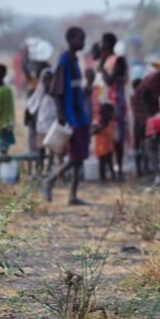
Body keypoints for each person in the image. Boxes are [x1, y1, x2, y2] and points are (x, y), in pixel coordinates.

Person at [42, 27, 91, 206]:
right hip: (71, 115)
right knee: (76, 156)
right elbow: (56, 91)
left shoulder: (75, 60)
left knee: (81, 156)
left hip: (80, 115)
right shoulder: (64, 61)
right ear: (71, 40)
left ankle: (73, 195)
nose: (83, 43)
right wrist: (62, 114)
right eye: (81, 39)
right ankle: (49, 180)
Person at [99, 32, 129, 182]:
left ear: (109, 43)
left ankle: (120, 170)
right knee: (107, 135)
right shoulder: (107, 60)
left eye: (102, 42)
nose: (100, 45)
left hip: (117, 105)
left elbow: (110, 81)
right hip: (107, 103)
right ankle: (111, 170)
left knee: (118, 138)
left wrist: (102, 68)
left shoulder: (118, 60)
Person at [27, 67, 58, 176]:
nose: (48, 82)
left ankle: (49, 168)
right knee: (40, 150)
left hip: (53, 125)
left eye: (50, 79)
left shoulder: (56, 94)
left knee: (52, 150)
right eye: (45, 80)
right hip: (41, 125)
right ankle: (39, 171)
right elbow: (32, 107)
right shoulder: (39, 93)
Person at [92, 103, 116, 182]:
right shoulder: (98, 122)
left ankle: (113, 178)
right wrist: (101, 126)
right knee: (102, 164)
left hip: (109, 147)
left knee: (110, 163)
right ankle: (102, 179)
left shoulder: (111, 122)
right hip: (101, 148)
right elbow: (92, 131)